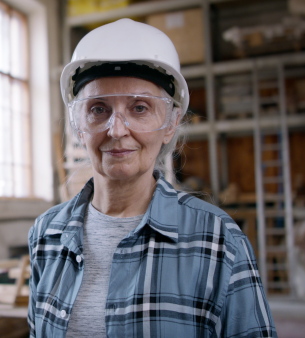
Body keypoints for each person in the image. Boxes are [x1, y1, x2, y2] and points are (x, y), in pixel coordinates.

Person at [27, 18, 276, 337]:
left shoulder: (218, 240)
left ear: (170, 123)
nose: (117, 130)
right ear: (78, 125)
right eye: (98, 109)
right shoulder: (46, 235)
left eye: (140, 108)